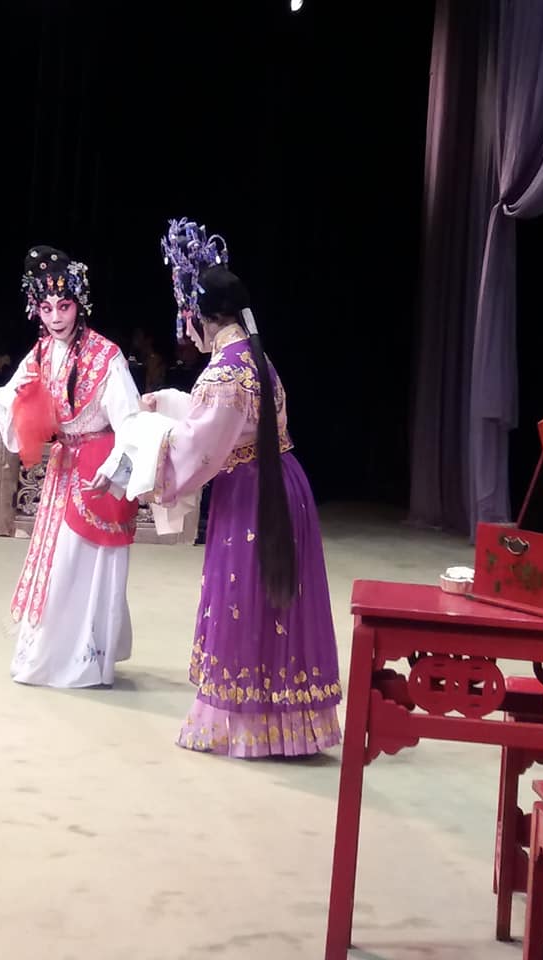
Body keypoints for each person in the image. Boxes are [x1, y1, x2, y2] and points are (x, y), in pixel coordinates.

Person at [95, 219, 342, 757]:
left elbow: (198, 447)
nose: (187, 333)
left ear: (199, 317)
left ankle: (243, 726)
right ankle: (288, 725)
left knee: (243, 601)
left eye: (187, 320)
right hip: (284, 485)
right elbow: (223, 424)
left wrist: (148, 438)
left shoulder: (223, 373)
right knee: (279, 603)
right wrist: (169, 403)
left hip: (251, 493)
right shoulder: (255, 358)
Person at [0, 245, 142, 688]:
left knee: (84, 563)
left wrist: (118, 466)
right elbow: (10, 398)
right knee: (55, 561)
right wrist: (19, 395)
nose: (56, 317)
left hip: (98, 468)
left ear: (80, 303)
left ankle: (86, 658)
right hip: (63, 468)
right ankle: (50, 653)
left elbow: (131, 420)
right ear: (35, 309)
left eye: (64, 305)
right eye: (46, 308)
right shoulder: (40, 352)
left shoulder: (105, 355)